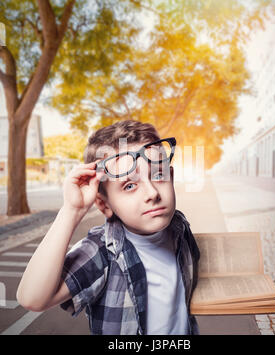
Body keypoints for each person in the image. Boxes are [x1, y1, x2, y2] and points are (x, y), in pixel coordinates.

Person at [17, 120, 200, 335]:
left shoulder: (180, 228)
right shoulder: (102, 251)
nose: (152, 193)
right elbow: (32, 298)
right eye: (129, 185)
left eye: (159, 175)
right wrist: (72, 211)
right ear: (104, 205)